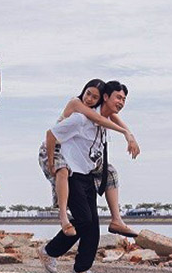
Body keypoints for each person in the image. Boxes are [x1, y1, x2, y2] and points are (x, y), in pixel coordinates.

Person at [39, 80, 140, 237]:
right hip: (54, 147)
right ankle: (63, 217)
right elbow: (99, 119)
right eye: (88, 94)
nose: (90, 99)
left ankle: (117, 220)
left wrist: (130, 134)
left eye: (94, 97)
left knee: (110, 172)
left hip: (76, 154)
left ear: (101, 99)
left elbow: (112, 117)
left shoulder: (95, 111)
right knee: (62, 171)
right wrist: (125, 134)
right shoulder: (77, 105)